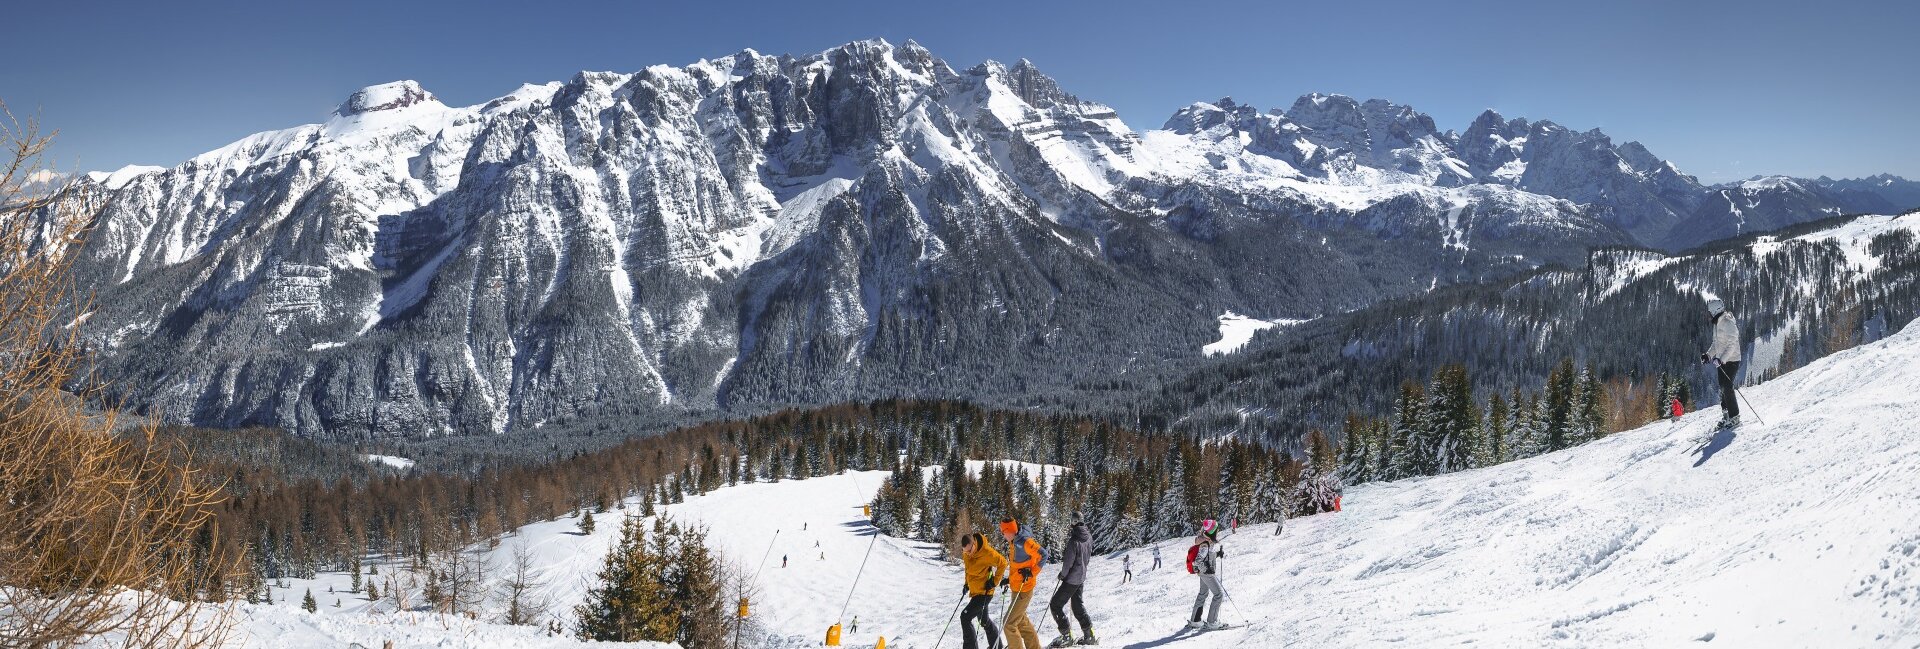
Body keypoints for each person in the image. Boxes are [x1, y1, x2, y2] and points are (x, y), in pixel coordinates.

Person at [1048, 520, 1096, 646]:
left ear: (1073, 523)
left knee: (1055, 605)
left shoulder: (1073, 540)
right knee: (1077, 606)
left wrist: (1063, 575)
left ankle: (1067, 636)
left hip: (1072, 579)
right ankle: (1089, 634)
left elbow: (1068, 562)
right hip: (1081, 577)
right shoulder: (1088, 537)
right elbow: (1088, 555)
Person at [999, 518, 1045, 649]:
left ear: (1010, 531)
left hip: (1024, 589)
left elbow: (1043, 554)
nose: (1003, 535)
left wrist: (1031, 572)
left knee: (1009, 623)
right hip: (1017, 587)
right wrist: (1010, 579)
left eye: (1003, 532)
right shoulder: (1014, 541)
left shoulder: (1025, 541)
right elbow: (1018, 566)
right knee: (1021, 622)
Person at [1701, 297, 1744, 427]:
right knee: (1722, 387)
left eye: (1709, 312)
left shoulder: (1728, 323)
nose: (1708, 315)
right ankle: (1726, 416)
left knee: (1727, 387)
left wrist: (1721, 359)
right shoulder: (1717, 323)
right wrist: (1708, 355)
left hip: (1732, 360)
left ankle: (1735, 417)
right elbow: (1716, 344)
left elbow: (1732, 344)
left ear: (1715, 311)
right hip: (1720, 361)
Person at [959, 532, 1006, 649]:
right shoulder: (966, 553)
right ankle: (997, 646)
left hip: (984, 593)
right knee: (984, 621)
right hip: (975, 592)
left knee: (965, 617)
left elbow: (1003, 563)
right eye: (965, 552)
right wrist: (966, 584)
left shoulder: (987, 552)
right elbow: (967, 569)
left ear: (974, 543)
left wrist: (994, 581)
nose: (968, 554)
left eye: (969, 551)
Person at [1185, 520, 1230, 630]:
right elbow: (1198, 561)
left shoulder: (1207, 541)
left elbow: (1207, 556)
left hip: (1204, 572)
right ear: (1213, 531)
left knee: (1203, 593)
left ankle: (1195, 620)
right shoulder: (1205, 543)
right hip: (1206, 573)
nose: (1218, 530)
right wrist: (1207, 569)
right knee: (1218, 594)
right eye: (1216, 529)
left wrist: (1217, 554)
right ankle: (1212, 622)